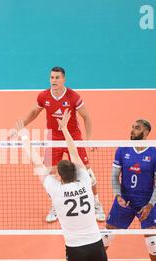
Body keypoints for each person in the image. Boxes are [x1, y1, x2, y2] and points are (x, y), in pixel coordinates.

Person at [16, 109, 111, 261]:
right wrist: (65, 129)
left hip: (75, 250)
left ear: (59, 176)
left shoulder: (55, 189)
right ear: (76, 171)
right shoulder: (85, 180)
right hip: (95, 245)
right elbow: (74, 151)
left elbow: (36, 162)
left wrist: (23, 136)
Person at [14, 66, 105, 223]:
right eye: (51, 77)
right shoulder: (44, 96)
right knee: (48, 173)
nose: (53, 80)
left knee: (87, 172)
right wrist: (22, 126)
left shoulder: (73, 96)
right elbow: (34, 113)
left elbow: (86, 116)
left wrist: (89, 139)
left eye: (57, 78)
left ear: (64, 79)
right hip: (53, 138)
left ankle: (96, 204)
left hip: (73, 138)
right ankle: (56, 205)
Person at [103, 119, 156, 261]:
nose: (132, 130)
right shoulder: (122, 150)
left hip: (146, 202)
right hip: (124, 200)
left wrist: (151, 204)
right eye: (132, 127)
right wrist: (117, 195)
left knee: (152, 240)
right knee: (106, 236)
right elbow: (115, 176)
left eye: (137, 128)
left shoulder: (155, 154)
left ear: (146, 132)